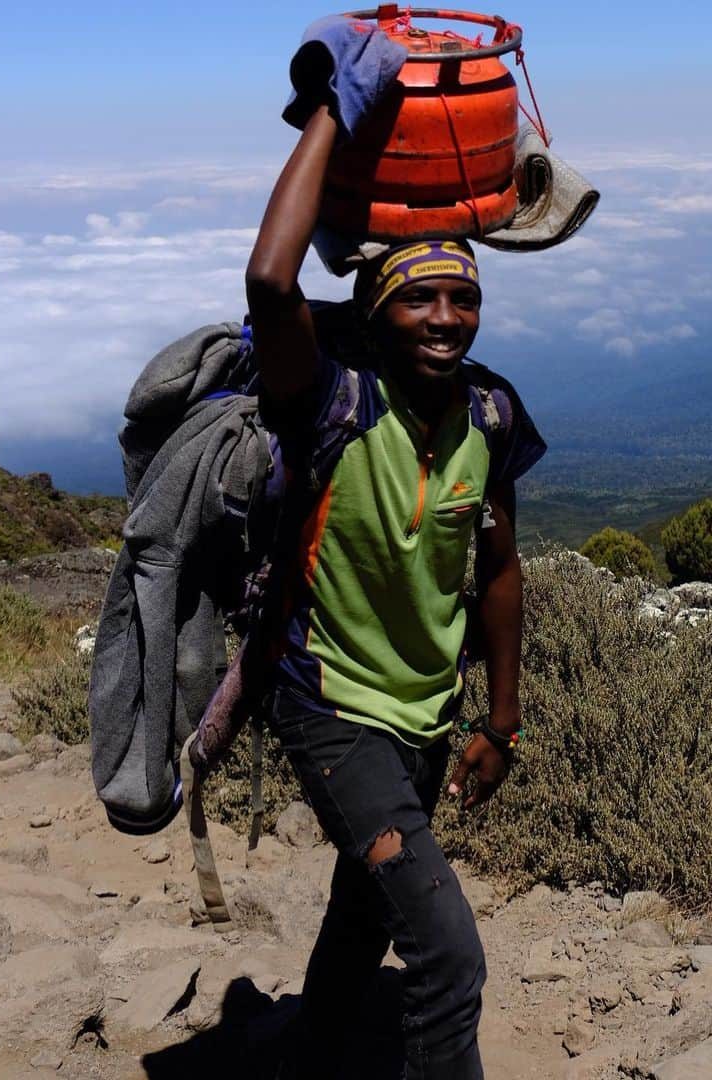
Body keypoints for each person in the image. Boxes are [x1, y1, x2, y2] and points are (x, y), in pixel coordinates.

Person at [244, 65, 546, 1080]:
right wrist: (338, 104)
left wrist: (498, 721)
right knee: (448, 957)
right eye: (421, 297)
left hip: (424, 715)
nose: (448, 317)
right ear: (375, 313)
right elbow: (273, 285)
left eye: (465, 296)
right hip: (330, 707)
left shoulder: (490, 416)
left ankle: (311, 1051)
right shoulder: (329, 402)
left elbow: (496, 570)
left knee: (363, 907)